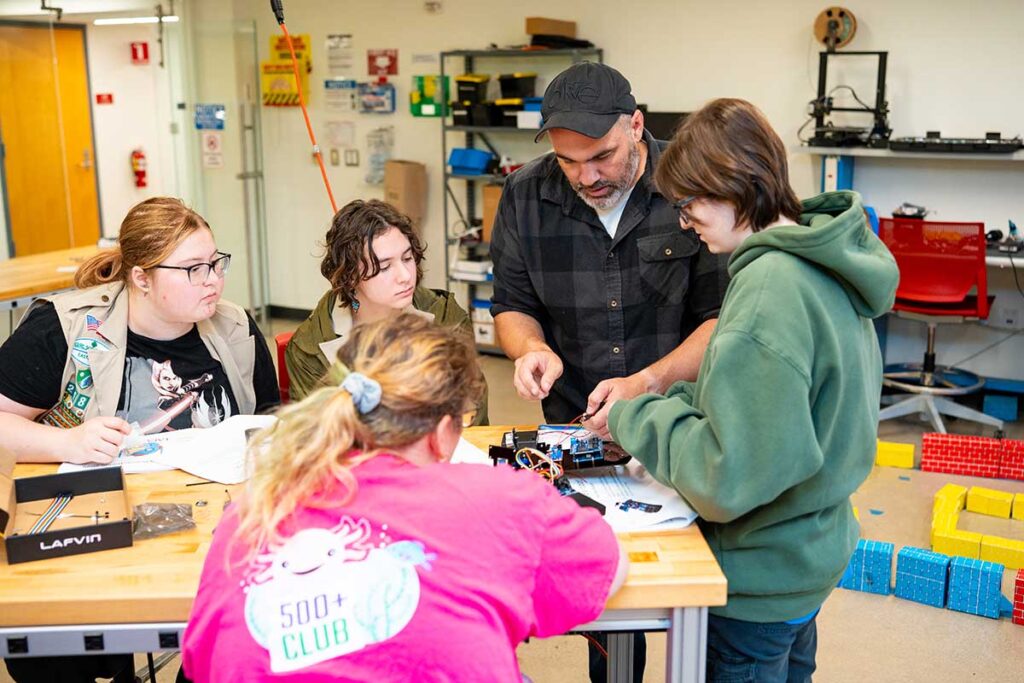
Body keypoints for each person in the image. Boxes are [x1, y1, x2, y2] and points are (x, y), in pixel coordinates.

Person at [606, 98, 898, 682]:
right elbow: (766, 407)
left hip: (758, 577)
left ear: (734, 188)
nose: (684, 223)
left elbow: (726, 478)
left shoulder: (767, 292)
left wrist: (632, 418)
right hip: (806, 552)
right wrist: (668, 402)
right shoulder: (821, 258)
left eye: (688, 206)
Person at [182, 314, 627, 682]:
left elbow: (201, 663)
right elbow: (608, 567)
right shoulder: (503, 498)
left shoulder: (252, 510)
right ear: (441, 432)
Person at [489, 61, 729, 681]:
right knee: (604, 597)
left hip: (681, 422)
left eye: (601, 157)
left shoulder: (692, 182)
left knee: (692, 592)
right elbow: (512, 307)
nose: (585, 177)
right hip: (577, 423)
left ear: (638, 127)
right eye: (569, 163)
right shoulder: (525, 195)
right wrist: (530, 350)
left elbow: (721, 320)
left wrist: (646, 383)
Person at [0, 196, 279, 683]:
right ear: (141, 278)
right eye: (192, 269)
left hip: (208, 533)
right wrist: (68, 443)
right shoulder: (64, 329)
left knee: (242, 636)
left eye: (216, 263)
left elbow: (270, 424)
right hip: (96, 533)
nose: (213, 280)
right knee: (55, 651)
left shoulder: (233, 327)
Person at [285, 198, 487, 424]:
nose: (406, 276)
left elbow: (471, 413)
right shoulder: (309, 348)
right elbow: (316, 436)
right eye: (384, 267)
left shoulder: (446, 318)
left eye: (407, 258)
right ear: (350, 276)